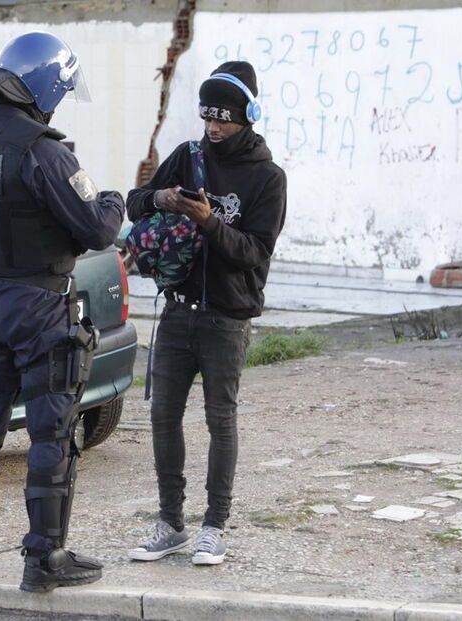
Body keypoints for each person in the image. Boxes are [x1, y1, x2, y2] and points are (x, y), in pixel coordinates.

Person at [0, 31, 125, 592]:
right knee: (52, 433)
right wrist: (114, 200)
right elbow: (96, 228)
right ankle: (44, 558)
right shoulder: (43, 151)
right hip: (39, 305)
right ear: (45, 86)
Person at [126, 61, 286, 566]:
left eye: (225, 118)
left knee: (221, 420)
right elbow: (134, 203)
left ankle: (214, 526)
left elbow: (253, 252)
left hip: (226, 317)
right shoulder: (189, 155)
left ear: (248, 117)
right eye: (207, 116)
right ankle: (170, 523)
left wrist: (210, 222)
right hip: (176, 312)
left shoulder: (268, 178)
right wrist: (161, 196)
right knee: (163, 416)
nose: (214, 127)